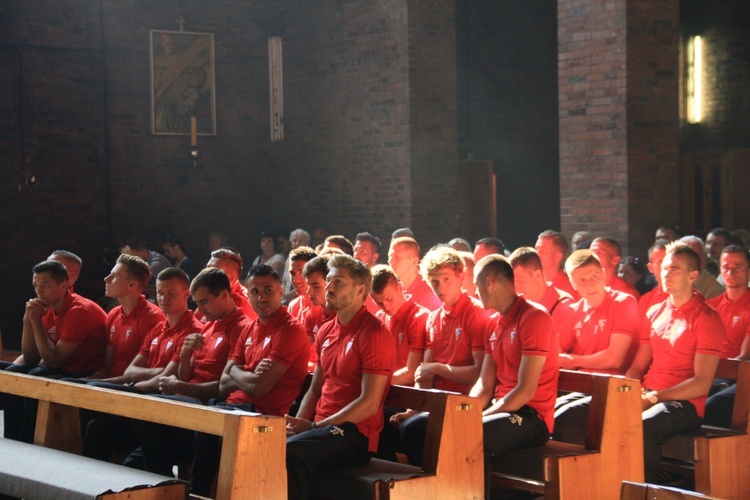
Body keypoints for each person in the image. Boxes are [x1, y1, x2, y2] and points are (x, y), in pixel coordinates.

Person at [187, 265, 310, 494]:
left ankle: (200, 493)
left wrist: (236, 370)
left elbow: (259, 386)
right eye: (254, 291)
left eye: (267, 290)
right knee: (200, 422)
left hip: (262, 417)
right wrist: (245, 372)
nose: (261, 297)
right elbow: (224, 386)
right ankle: (195, 494)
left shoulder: (289, 329)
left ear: (280, 291)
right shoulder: (250, 328)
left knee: (209, 427)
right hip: (231, 407)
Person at [285, 254, 396, 499]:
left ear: (359, 290)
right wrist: (298, 424)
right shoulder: (326, 330)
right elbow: (315, 390)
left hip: (354, 435)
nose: (330, 288)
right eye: (330, 281)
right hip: (324, 429)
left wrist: (314, 426)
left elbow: (369, 403)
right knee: (266, 443)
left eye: (339, 283)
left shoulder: (374, 333)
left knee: (290, 452)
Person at [133, 267, 254, 484]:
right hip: (189, 400)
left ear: (225, 296)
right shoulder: (208, 326)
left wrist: (178, 386)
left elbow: (226, 386)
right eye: (196, 303)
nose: (199, 309)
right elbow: (186, 375)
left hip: (211, 404)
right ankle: (163, 484)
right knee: (140, 420)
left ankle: (165, 485)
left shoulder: (242, 327)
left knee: (147, 408)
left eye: (204, 302)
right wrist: (185, 355)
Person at [625, 242, 724, 483]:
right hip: (649, 394)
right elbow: (638, 366)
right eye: (665, 268)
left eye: (674, 269)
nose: (666, 275)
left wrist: (653, 397)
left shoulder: (707, 318)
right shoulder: (655, 311)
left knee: (643, 428)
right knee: (595, 418)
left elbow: (701, 384)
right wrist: (626, 392)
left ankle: (642, 493)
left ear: (693, 275)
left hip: (684, 404)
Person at [81, 267, 201, 463]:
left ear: (187, 294)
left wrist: (135, 385)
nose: (164, 298)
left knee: (93, 390)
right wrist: (141, 379)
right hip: (142, 396)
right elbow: (131, 371)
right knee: (95, 424)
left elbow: (166, 379)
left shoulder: (193, 330)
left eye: (172, 293)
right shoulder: (158, 329)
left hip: (160, 403)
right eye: (160, 293)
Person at [470, 254, 560, 498]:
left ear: (489, 282)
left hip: (531, 418)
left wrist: (485, 415)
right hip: (504, 410)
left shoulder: (534, 317)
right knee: (419, 428)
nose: (475, 293)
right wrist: (466, 411)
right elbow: (484, 383)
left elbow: (526, 390)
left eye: (476, 286)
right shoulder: (493, 323)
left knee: (473, 435)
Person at [394, 247, 491, 463]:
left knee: (414, 430)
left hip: (466, 401)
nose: (441, 287)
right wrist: (412, 408)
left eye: (446, 279)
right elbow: (424, 373)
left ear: (460, 277)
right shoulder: (433, 318)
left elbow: (478, 373)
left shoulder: (475, 313)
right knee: (391, 422)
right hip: (437, 400)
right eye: (435, 282)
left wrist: (438, 368)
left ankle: (439, 483)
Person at [1, 260, 107, 442]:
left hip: (83, 372)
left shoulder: (79, 310)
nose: (39, 292)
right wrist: (28, 320)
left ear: (63, 285)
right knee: (10, 372)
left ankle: (28, 440)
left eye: (45, 286)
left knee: (34, 375)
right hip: (60, 368)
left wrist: (35, 322)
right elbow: (31, 358)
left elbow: (53, 361)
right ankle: (12, 439)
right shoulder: (47, 308)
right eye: (35, 286)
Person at [552, 250, 643, 444]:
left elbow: (614, 358)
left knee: (564, 418)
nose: (590, 284)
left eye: (594, 276)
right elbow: (556, 352)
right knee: (545, 411)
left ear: (603, 273)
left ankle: (595, 467)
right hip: (583, 386)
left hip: (616, 387)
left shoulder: (623, 302)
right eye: (582, 280)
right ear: (572, 283)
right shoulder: (573, 310)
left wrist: (573, 360)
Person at [90, 254, 166, 382]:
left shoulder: (152, 318)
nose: (106, 279)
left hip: (131, 386)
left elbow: (149, 372)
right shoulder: (113, 313)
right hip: (110, 382)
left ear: (132, 285)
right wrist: (89, 380)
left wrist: (98, 383)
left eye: (114, 276)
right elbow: (108, 366)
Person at [704, 245, 750, 428]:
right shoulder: (710, 306)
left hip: (740, 375)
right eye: (725, 266)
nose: (730, 271)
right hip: (710, 372)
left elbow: (743, 357)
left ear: (748, 270)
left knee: (713, 405)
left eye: (737, 266)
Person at [369, 265, 428, 386]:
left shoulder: (419, 318)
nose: (386, 307)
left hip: (407, 393)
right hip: (383, 389)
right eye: (379, 303)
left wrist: (373, 384)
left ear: (400, 287)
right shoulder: (379, 317)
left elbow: (412, 373)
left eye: (389, 299)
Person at [507, 247, 573, 327]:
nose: (516, 288)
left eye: (519, 281)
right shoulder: (518, 307)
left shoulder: (563, 306)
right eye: (512, 283)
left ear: (537, 274)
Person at [300, 255, 336, 370]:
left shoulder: (345, 317)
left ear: (331, 284)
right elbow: (302, 352)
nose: (309, 292)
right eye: (309, 285)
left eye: (316, 286)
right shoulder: (312, 312)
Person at [388, 236, 441, 311]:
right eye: (390, 257)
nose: (391, 261)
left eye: (397, 257)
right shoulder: (395, 291)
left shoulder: (429, 292)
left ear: (414, 261)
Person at [205, 248, 257, 320]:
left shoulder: (244, 304)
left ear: (230, 277)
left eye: (213, 270)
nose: (205, 273)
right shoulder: (205, 296)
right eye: (207, 268)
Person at [535, 230, 579, 300]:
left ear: (557, 257)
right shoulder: (531, 283)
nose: (537, 254)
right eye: (536, 249)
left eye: (543, 251)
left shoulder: (569, 289)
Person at [286, 247, 319, 320]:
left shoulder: (324, 306)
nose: (296, 280)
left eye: (302, 272)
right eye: (292, 273)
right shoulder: (294, 306)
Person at [638, 239, 670, 315]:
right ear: (651, 268)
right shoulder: (646, 301)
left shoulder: (690, 297)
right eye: (661, 262)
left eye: (670, 262)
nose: (667, 267)